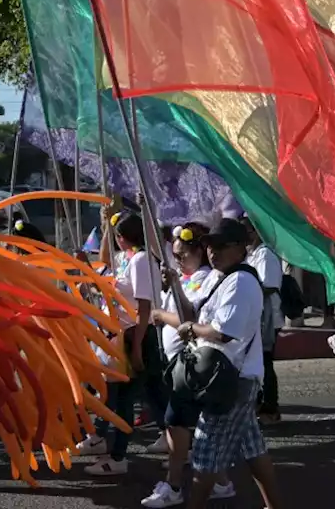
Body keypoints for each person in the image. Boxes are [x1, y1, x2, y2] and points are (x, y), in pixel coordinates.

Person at [174, 218, 281, 509]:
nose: (212, 252)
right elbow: (191, 311)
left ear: (239, 248)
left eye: (220, 246)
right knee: (253, 448)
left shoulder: (242, 281)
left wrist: (191, 329)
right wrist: (173, 283)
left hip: (233, 379)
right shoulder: (219, 277)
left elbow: (223, 332)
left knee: (205, 453)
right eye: (209, 246)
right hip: (230, 377)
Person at [141, 223, 236, 508]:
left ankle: (174, 486)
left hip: (193, 366)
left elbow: (189, 316)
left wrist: (162, 313)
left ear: (199, 252)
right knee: (196, 430)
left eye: (183, 255)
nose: (178, 260)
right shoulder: (186, 274)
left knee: (177, 424)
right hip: (180, 366)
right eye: (175, 255)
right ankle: (221, 482)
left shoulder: (205, 278)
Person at [85, 212, 166, 476]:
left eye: (117, 236)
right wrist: (106, 225)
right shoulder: (127, 259)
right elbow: (106, 262)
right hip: (128, 334)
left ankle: (118, 456)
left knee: (126, 398)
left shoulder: (142, 260)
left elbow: (144, 307)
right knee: (155, 393)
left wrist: (137, 346)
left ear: (126, 238)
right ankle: (175, 441)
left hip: (137, 335)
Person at [241, 216, 284, 425]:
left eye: (249, 230)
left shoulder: (265, 254)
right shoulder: (252, 254)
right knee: (258, 363)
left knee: (266, 363)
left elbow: (269, 285)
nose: (247, 235)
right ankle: (258, 403)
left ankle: (270, 408)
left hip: (268, 319)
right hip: (256, 317)